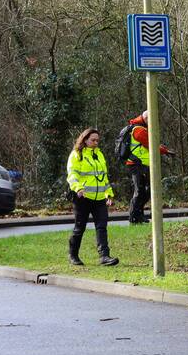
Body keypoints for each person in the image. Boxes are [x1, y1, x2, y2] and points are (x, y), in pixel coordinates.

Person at [66, 128, 119, 266]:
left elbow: (104, 177)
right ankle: (73, 255)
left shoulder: (100, 155)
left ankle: (104, 257)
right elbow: (72, 175)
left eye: (97, 140)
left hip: (99, 198)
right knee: (79, 227)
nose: (96, 142)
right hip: (82, 198)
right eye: (93, 140)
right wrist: (78, 188)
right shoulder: (77, 155)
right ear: (84, 139)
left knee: (102, 227)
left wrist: (109, 194)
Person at [125, 110, 174, 225]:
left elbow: (152, 144)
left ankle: (139, 215)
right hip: (136, 164)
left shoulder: (141, 128)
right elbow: (151, 145)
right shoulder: (138, 130)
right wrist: (165, 151)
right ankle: (134, 217)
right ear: (147, 119)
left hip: (143, 164)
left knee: (146, 191)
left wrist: (164, 149)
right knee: (140, 190)